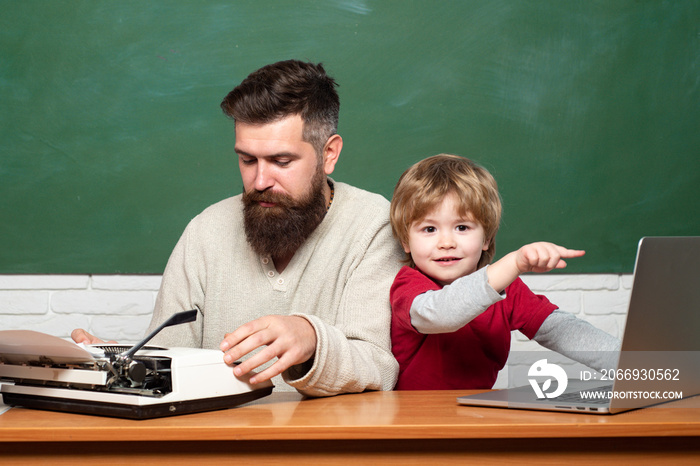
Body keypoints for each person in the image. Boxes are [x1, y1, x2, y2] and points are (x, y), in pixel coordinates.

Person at [72, 60, 404, 396]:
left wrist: (311, 339)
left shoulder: (374, 226)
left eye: (281, 161)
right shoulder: (205, 231)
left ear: (329, 153)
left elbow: (378, 366)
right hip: (217, 442)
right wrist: (121, 366)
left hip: (327, 445)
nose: (259, 181)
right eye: (247, 160)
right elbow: (171, 364)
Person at [388, 154, 620, 390]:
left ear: (486, 237)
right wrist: (514, 264)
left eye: (462, 227)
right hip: (412, 419)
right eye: (429, 229)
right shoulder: (407, 286)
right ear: (406, 241)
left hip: (476, 414)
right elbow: (442, 314)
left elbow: (562, 330)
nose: (446, 242)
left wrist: (641, 368)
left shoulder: (507, 287)